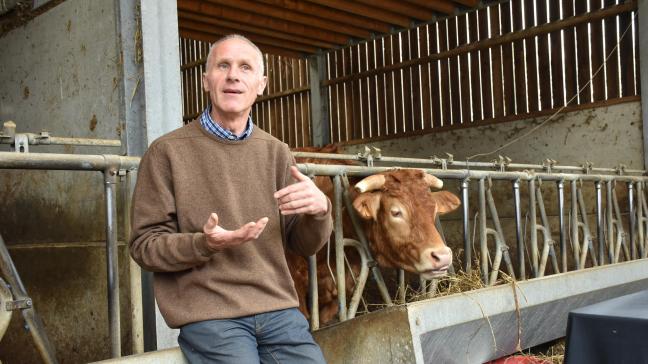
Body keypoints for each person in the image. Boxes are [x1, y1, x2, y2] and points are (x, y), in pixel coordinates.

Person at [129, 34, 332, 363]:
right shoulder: (166, 153)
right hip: (212, 315)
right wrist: (204, 244)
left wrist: (320, 211)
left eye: (245, 67)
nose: (233, 75)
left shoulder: (277, 153)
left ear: (261, 83)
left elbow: (302, 245)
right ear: (206, 81)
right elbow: (144, 247)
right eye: (223, 65)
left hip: (278, 309)